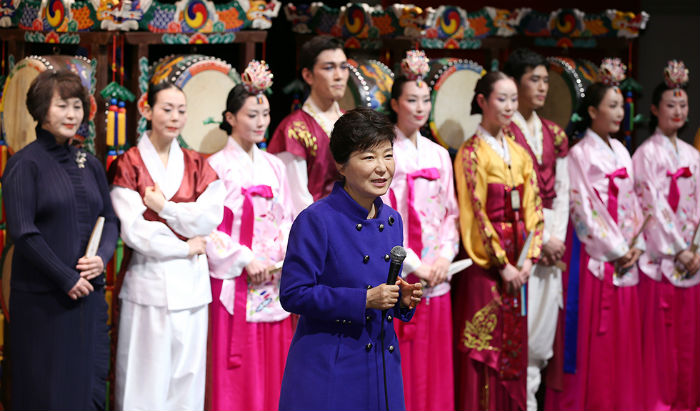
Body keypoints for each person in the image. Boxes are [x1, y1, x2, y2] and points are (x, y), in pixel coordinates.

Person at [278, 107, 423, 411]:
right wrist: (364, 299)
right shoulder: (316, 220)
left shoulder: (393, 220)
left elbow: (378, 285)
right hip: (332, 365)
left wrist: (400, 298)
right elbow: (293, 294)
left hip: (382, 361)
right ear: (341, 166)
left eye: (387, 155)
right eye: (369, 158)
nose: (382, 167)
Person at [3, 69, 119, 410]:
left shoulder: (91, 163)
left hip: (87, 299)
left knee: (86, 389)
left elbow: (110, 220)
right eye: (62, 106)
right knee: (45, 390)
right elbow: (23, 231)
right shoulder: (25, 164)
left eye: (77, 106)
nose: (72, 115)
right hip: (43, 302)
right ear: (41, 111)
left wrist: (102, 258)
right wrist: (66, 277)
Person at [110, 81, 225, 410]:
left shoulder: (197, 164)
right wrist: (185, 246)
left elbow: (208, 220)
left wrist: (165, 209)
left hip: (192, 286)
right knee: (142, 379)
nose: (175, 117)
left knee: (186, 379)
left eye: (181, 110)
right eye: (167, 109)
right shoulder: (129, 164)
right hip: (148, 283)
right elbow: (135, 231)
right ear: (147, 110)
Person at [551, 58, 644, 410]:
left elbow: (634, 200)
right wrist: (618, 248)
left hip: (624, 253)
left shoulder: (621, 150)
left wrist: (634, 244)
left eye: (622, 106)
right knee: (595, 338)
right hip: (595, 256)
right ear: (592, 111)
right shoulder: (579, 155)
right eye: (612, 106)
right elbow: (584, 209)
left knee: (621, 339)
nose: (620, 113)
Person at [205, 61, 295, 411]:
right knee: (237, 373)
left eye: (265, 114)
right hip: (236, 281)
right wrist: (246, 259)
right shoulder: (214, 166)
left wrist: (285, 257)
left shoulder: (274, 165)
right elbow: (208, 228)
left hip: (272, 280)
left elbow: (287, 217)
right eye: (251, 115)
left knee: (276, 369)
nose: (260, 123)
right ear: (230, 118)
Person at [453, 71, 543, 411]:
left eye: (513, 99)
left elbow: (534, 207)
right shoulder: (471, 153)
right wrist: (503, 265)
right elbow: (474, 212)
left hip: (519, 265)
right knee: (484, 350)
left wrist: (529, 259)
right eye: (501, 99)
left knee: (513, 348)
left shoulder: (520, 153)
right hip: (486, 268)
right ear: (482, 102)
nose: (508, 106)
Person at [383, 50, 459, 411]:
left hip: (437, 271)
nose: (420, 107)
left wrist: (444, 257)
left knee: (434, 363)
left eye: (426, 100)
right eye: (411, 99)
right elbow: (382, 217)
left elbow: (450, 214)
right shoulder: (384, 153)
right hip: (400, 270)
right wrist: (415, 266)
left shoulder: (440, 155)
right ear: (396, 103)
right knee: (401, 359)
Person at [503, 49, 569, 411]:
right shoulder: (504, 132)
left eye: (546, 79)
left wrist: (553, 240)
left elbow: (563, 191)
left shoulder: (554, 133)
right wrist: (538, 243)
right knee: (518, 335)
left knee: (541, 341)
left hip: (550, 243)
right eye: (534, 79)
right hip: (519, 248)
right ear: (513, 83)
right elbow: (509, 196)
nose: (542, 86)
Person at [632, 60, 700, 411]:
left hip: (692, 262)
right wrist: (679, 249)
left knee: (689, 341)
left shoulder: (692, 155)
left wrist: (696, 250)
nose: (677, 111)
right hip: (660, 262)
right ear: (655, 110)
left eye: (683, 105)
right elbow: (652, 207)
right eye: (670, 105)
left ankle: (688, 401)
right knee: (660, 343)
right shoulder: (646, 155)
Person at [267, 35, 348, 215]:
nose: (339, 75)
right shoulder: (294, 129)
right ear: (308, 75)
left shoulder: (352, 121)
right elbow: (297, 200)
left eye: (343, 67)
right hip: (317, 227)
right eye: (329, 68)